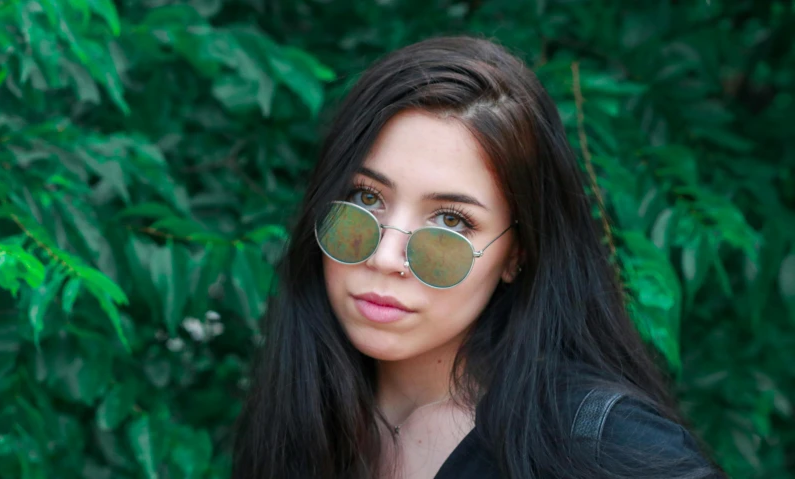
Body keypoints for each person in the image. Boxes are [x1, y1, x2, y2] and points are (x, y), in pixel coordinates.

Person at [231, 35, 724, 479]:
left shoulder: (599, 444)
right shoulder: (298, 422)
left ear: (517, 253)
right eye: (364, 198)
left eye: (451, 221)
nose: (384, 257)